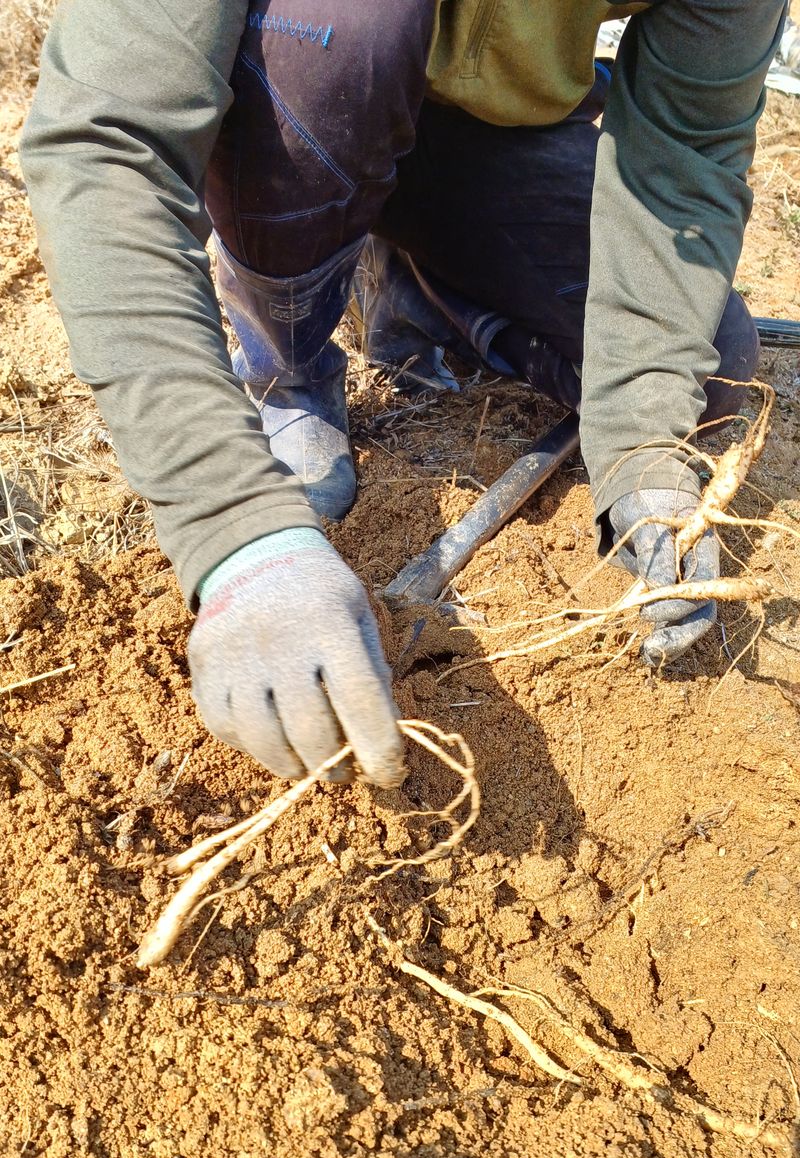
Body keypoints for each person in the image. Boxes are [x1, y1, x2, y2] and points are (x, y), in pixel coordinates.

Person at [20, 0, 786, 787]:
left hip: (479, 136)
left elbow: (687, 151)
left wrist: (640, 435)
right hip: (301, 94)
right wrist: (234, 531)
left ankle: (419, 285)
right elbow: (104, 145)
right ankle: (290, 355)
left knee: (711, 359)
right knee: (347, 26)